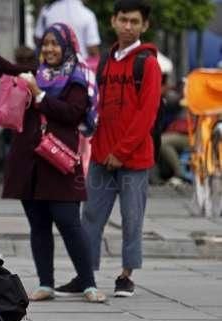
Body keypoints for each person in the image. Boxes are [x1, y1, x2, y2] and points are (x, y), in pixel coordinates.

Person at [0, 22, 105, 303]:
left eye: (55, 44)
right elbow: (7, 71)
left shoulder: (78, 78)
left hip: (60, 163)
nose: (49, 49)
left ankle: (89, 283)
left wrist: (40, 95)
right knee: (38, 223)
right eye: (45, 43)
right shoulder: (37, 73)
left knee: (69, 222)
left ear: (68, 46)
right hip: (29, 162)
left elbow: (72, 114)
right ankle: (46, 283)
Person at [57, 0, 162, 298]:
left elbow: (147, 115)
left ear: (144, 26)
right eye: (123, 20)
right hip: (102, 155)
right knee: (90, 216)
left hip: (135, 159)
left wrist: (122, 151)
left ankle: (126, 275)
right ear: (114, 21)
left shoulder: (148, 64)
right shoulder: (104, 61)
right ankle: (85, 275)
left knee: (132, 218)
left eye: (135, 22)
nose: (128, 26)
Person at [34, 0, 101, 68]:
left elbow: (38, 39)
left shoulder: (47, 11)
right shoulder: (88, 14)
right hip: (79, 67)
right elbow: (92, 47)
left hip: (52, 67)